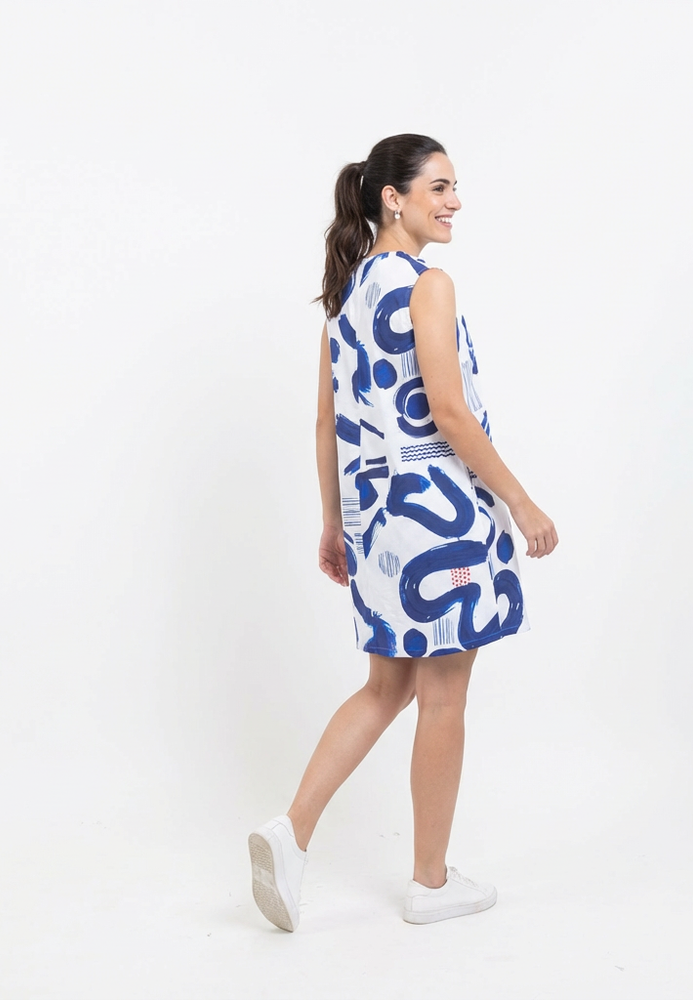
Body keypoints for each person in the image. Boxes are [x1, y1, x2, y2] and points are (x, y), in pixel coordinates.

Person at [248, 134, 558, 931]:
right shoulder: (429, 285)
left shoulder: (346, 298)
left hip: (377, 519)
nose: (455, 202)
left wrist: (334, 523)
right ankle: (430, 882)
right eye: (440, 187)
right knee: (443, 695)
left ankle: (291, 833)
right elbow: (448, 411)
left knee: (386, 687)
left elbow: (327, 423)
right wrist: (521, 502)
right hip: (441, 514)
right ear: (394, 197)